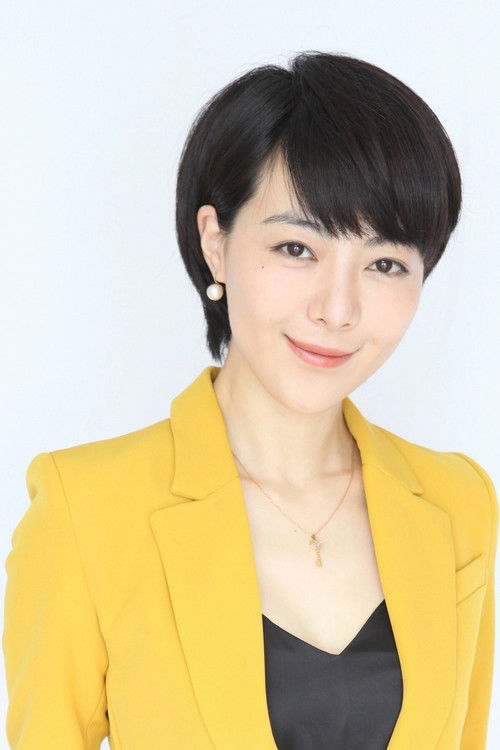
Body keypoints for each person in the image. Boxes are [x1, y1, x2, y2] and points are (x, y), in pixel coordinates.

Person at [2, 51, 497, 750]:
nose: (337, 309)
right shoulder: (86, 510)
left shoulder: (459, 502)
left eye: (385, 263)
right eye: (297, 248)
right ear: (215, 242)